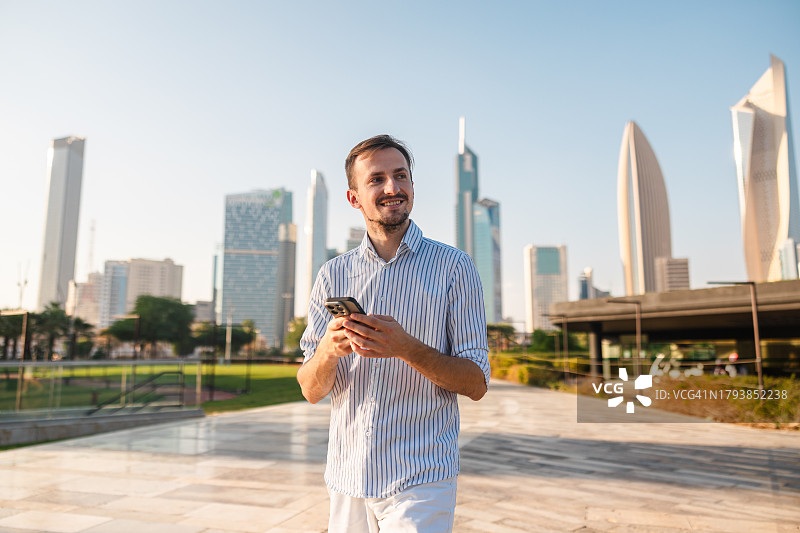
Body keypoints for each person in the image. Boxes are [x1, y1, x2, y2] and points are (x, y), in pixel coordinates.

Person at [298, 134, 490, 533]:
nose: (392, 188)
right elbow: (310, 389)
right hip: (346, 478)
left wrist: (405, 347)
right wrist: (328, 351)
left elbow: (476, 382)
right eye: (377, 179)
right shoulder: (332, 274)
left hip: (420, 476)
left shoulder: (455, 267)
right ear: (354, 198)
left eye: (401, 176)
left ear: (413, 186)